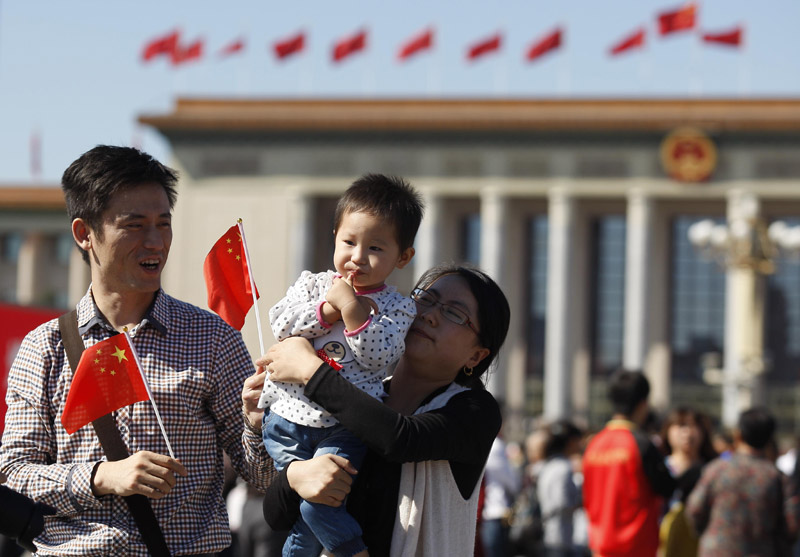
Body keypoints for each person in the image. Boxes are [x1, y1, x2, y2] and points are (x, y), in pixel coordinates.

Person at [0, 145, 274, 556]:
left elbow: (264, 477)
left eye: (163, 224)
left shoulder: (212, 338)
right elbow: (15, 474)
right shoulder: (44, 347)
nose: (155, 242)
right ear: (84, 234)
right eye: (135, 225)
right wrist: (101, 477)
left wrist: (256, 426)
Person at [252, 263, 511, 556]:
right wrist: (294, 476)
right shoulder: (353, 399)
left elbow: (399, 438)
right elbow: (275, 516)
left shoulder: (476, 410)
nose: (428, 315)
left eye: (454, 313)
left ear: (476, 356)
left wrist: (310, 372)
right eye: (426, 298)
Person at [257, 174, 423, 556]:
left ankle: (351, 550)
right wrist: (327, 309)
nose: (358, 257)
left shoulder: (398, 308)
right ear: (335, 237)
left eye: (375, 247)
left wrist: (351, 309)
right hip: (286, 419)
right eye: (349, 242)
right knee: (305, 503)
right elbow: (281, 323)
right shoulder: (312, 285)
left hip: (344, 429)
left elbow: (378, 355)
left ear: (403, 257)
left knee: (317, 505)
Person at [581, 369, 675, 557]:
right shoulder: (641, 443)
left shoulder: (594, 444)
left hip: (600, 547)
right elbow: (666, 488)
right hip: (636, 547)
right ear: (643, 404)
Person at [686, 407, 793, 557]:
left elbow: (695, 509)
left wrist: (708, 533)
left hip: (717, 551)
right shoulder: (777, 477)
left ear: (738, 434)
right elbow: (791, 525)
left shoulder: (717, 469)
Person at [538, 419, 583, 557]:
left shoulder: (549, 465)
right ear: (571, 442)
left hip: (550, 533)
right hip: (559, 535)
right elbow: (562, 502)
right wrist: (580, 502)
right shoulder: (563, 467)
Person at [481, 432, 521, 557]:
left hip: (492, 513)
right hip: (494, 512)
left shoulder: (491, 443)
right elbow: (512, 483)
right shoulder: (495, 445)